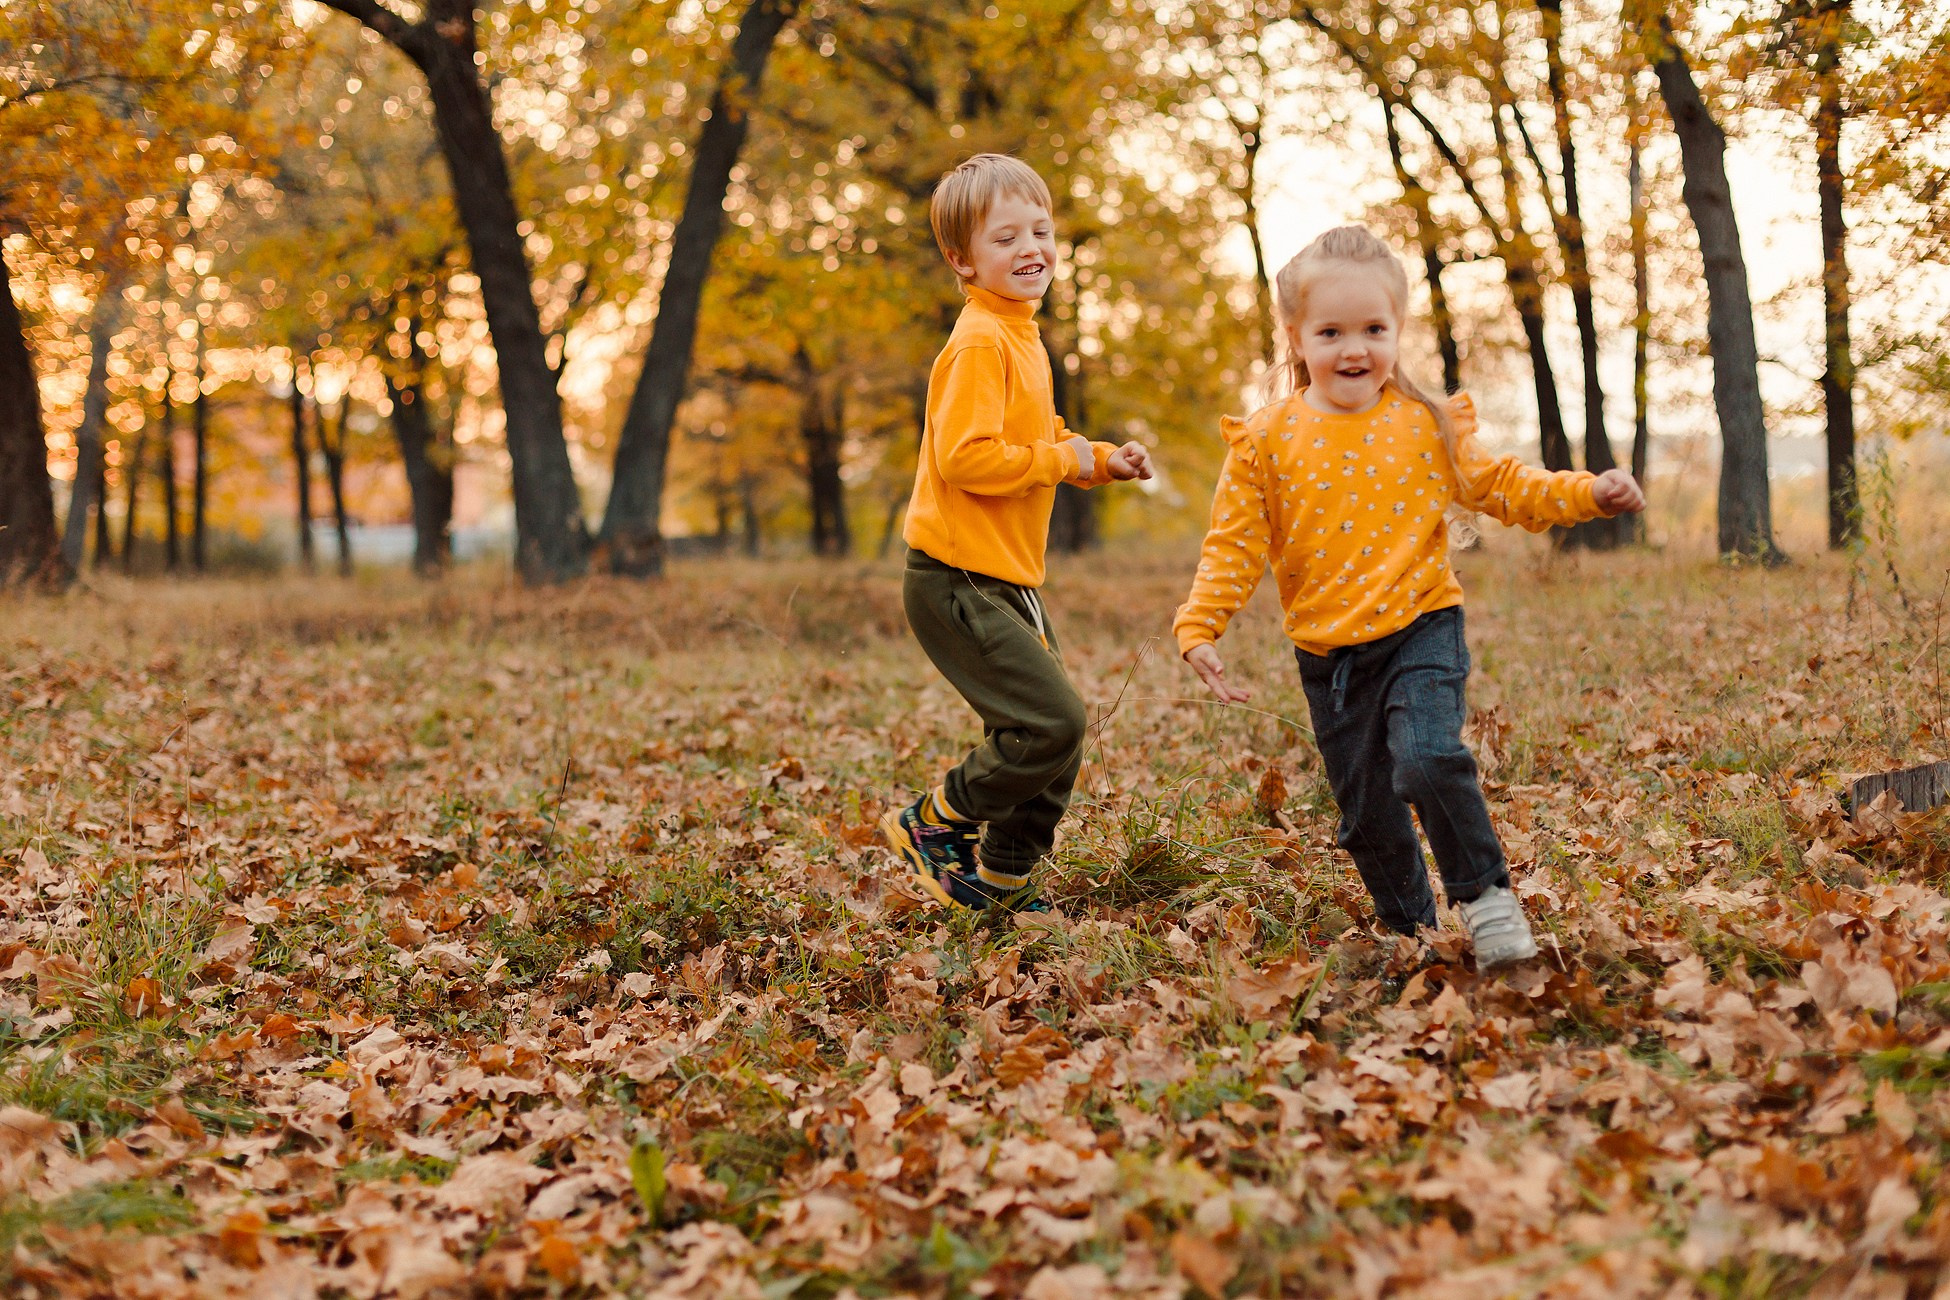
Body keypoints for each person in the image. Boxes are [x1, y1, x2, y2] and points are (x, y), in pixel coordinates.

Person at [1174, 225, 1644, 968]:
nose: (1353, 348)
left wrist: (1588, 493)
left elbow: (1502, 488)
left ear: (1397, 331)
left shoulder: (1424, 424)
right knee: (1366, 817)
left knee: (1425, 759)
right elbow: (1234, 542)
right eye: (1331, 331)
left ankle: (1487, 899)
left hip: (1422, 621)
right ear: (1296, 337)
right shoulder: (1266, 441)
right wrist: (1201, 624)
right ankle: (1414, 930)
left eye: (1373, 329)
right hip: (1329, 657)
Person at [881, 153, 1154, 913]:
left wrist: (1098, 459)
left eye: (1041, 230)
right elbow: (964, 459)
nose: (1031, 248)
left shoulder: (1021, 335)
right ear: (962, 259)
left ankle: (1000, 882)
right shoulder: (979, 342)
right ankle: (933, 822)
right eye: (1006, 238)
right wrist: (1056, 457)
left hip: (1006, 576)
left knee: (1057, 740)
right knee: (1050, 721)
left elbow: (1041, 438)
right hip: (955, 578)